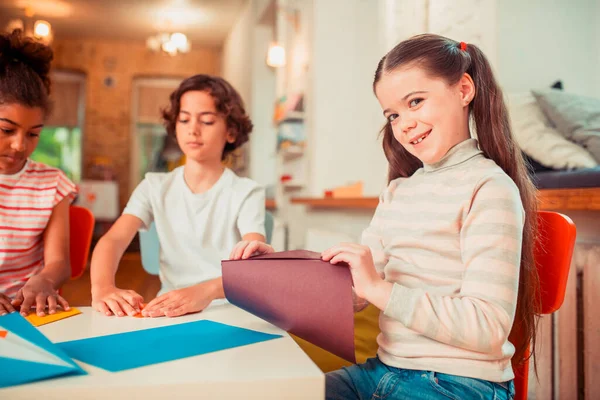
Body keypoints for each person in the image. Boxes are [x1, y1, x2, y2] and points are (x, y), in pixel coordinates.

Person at [90, 75, 266, 318]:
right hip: (170, 310)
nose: (192, 129)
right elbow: (113, 241)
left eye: (206, 121)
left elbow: (254, 265)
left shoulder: (247, 192)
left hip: (233, 308)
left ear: (231, 132)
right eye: (184, 119)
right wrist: (103, 288)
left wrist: (205, 291)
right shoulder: (154, 186)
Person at [0, 30, 77, 317]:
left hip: (28, 312)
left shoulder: (52, 184)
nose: (20, 145)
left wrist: (43, 280)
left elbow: (59, 262)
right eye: (6, 130)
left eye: (33, 134)